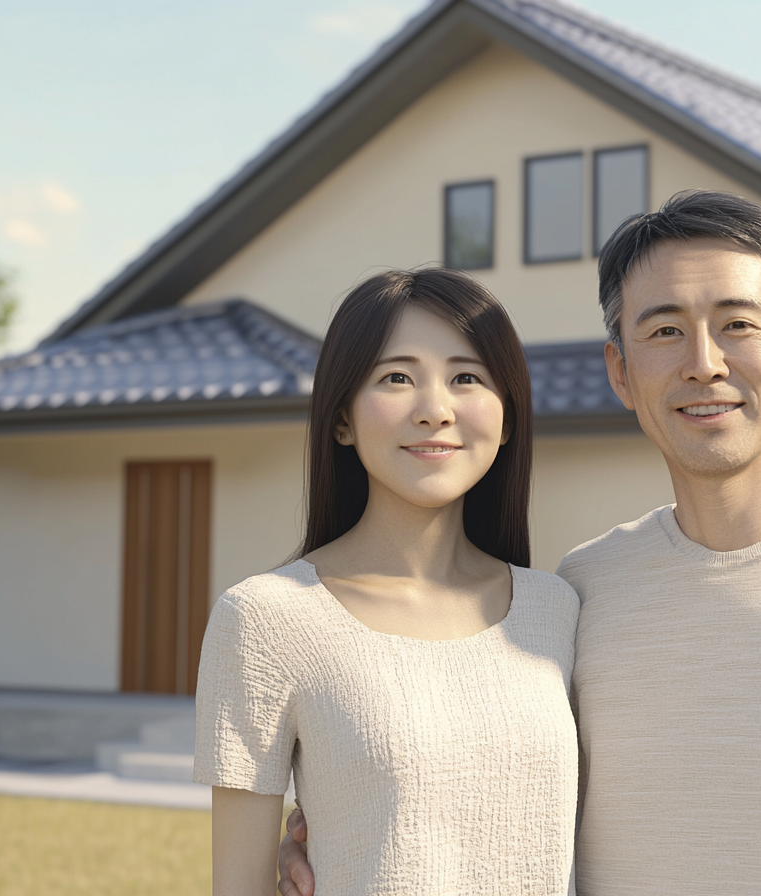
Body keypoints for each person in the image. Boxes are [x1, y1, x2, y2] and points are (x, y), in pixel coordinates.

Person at [279, 192, 761, 896]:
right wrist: (330, 837)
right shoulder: (580, 591)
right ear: (620, 371)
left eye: (739, 325)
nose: (704, 363)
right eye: (665, 331)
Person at [194, 269, 579, 896]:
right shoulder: (265, 618)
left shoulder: (558, 610)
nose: (435, 409)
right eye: (396, 378)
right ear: (341, 419)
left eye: (467, 377)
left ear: (507, 420)